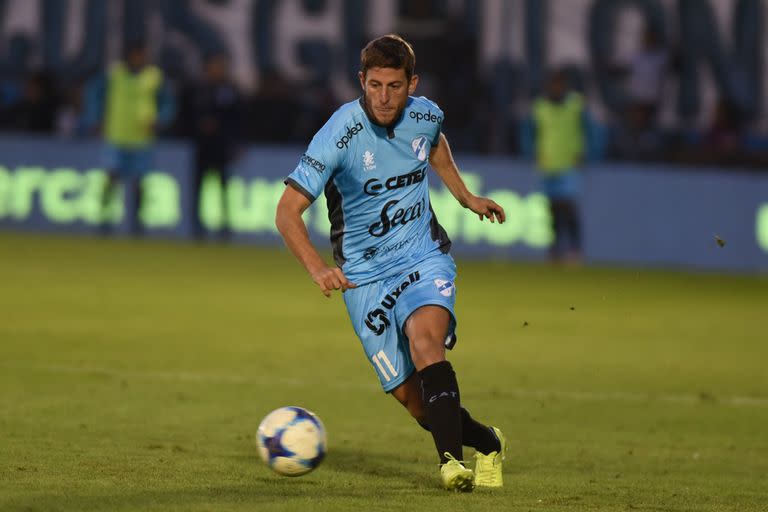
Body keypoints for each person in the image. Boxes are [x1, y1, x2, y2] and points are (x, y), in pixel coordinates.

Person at [275, 34, 507, 492]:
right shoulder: (338, 134)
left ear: (411, 83)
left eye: (395, 86)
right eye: (375, 85)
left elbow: (434, 144)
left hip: (423, 256)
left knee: (426, 343)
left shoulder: (425, 114)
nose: (383, 97)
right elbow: (286, 212)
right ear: (361, 81)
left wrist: (465, 197)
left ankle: (450, 465)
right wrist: (318, 268)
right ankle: (488, 442)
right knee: (417, 403)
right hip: (363, 279)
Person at [84, 42, 175, 234]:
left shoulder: (154, 77)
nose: (139, 58)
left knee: (140, 183)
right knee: (111, 178)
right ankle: (104, 220)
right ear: (128, 55)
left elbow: (167, 102)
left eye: (142, 55)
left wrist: (161, 119)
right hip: (116, 134)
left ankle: (138, 224)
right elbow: (94, 95)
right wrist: (95, 118)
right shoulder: (114, 74)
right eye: (136, 55)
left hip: (142, 137)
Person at [177, 53, 245, 237]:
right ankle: (196, 226)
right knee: (198, 187)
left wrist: (234, 139)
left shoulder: (230, 90)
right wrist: (198, 127)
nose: (217, 70)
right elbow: (186, 116)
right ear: (206, 68)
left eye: (220, 66)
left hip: (221, 147)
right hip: (202, 146)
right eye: (214, 66)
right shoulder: (197, 90)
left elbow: (238, 118)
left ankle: (225, 224)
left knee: (223, 186)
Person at [531, 69, 586, 262]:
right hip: (548, 163)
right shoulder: (540, 107)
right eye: (553, 85)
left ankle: (575, 249)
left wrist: (582, 151)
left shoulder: (575, 104)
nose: (556, 88)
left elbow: (584, 128)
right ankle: (555, 249)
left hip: (569, 162)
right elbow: (535, 133)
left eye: (559, 85)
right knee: (553, 209)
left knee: (569, 207)